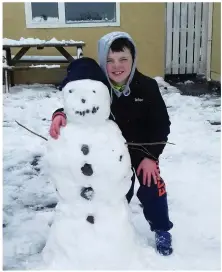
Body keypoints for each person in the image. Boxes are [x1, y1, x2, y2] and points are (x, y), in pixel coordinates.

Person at [49, 32, 173, 256]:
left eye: (123, 59)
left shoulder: (147, 87)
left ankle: (162, 228)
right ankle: (115, 230)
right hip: (110, 152)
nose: (117, 66)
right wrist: (60, 113)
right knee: (113, 194)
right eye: (110, 60)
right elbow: (76, 105)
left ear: (133, 59)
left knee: (151, 186)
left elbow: (162, 125)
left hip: (141, 150)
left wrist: (151, 157)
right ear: (102, 61)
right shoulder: (98, 86)